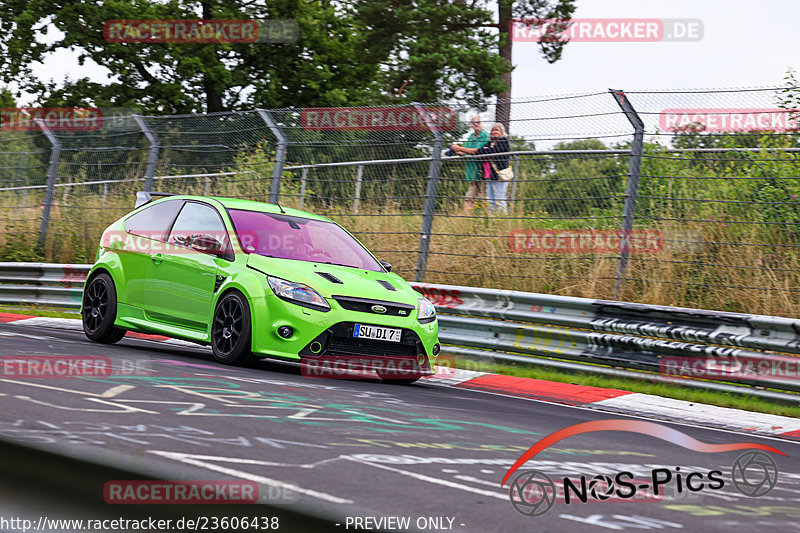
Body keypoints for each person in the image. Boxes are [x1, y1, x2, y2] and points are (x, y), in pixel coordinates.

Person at [451, 123, 510, 214]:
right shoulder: (490, 143)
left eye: (496, 130)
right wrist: (459, 151)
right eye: (492, 130)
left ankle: (502, 218)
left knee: (499, 198)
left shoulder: (503, 141)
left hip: (500, 174)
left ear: (502, 132)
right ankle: (491, 219)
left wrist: (460, 148)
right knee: (490, 199)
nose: (494, 132)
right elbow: (478, 151)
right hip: (489, 174)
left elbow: (480, 151)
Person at [449, 116, 490, 211]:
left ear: (482, 123)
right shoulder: (471, 136)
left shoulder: (485, 136)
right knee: (469, 197)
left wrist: (459, 148)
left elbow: (475, 151)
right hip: (472, 172)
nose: (476, 124)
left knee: (485, 198)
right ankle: (467, 217)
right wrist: (454, 150)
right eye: (474, 122)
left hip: (482, 172)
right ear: (471, 125)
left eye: (478, 122)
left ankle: (488, 218)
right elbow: (464, 151)